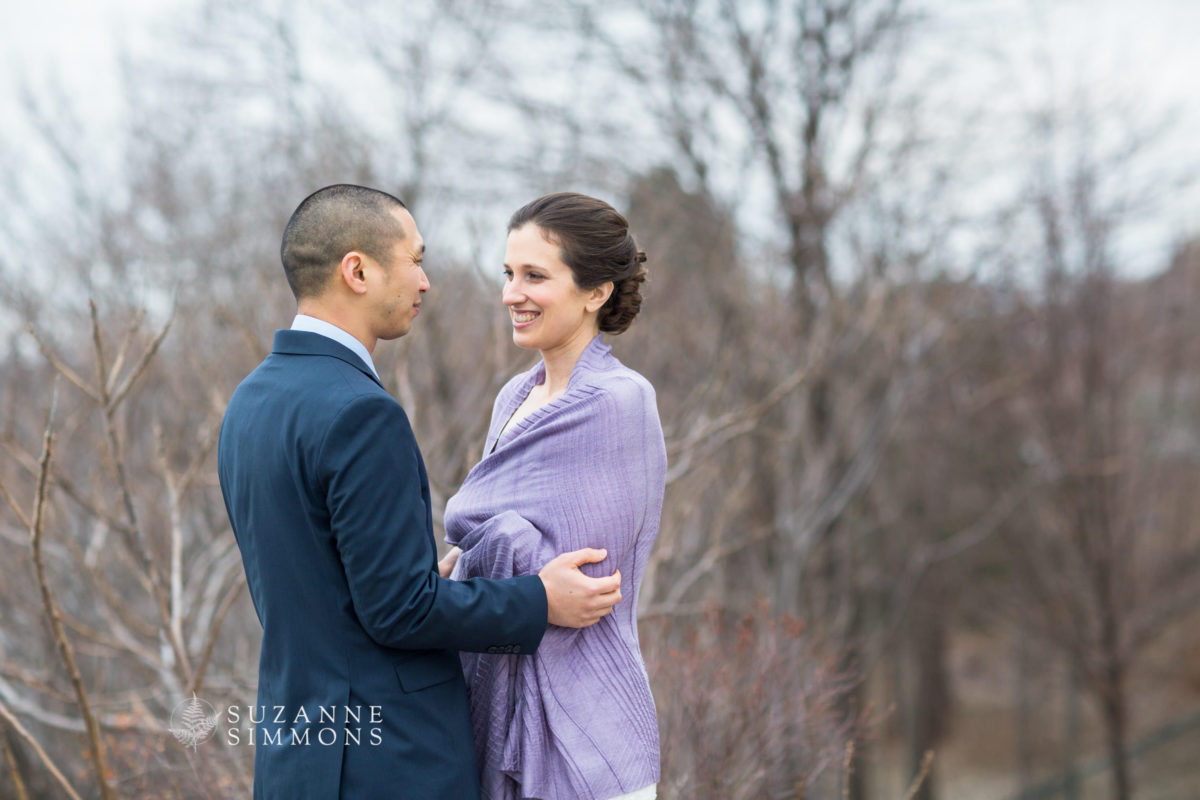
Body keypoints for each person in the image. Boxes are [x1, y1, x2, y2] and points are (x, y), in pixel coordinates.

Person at [217, 184, 624, 800]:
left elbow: (321, 583)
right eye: (414, 259)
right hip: (390, 765)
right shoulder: (360, 412)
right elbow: (398, 612)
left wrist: (414, 577)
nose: (425, 281)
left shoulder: (250, 401)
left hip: (298, 756)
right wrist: (540, 601)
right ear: (357, 270)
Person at [442, 192, 666, 800]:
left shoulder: (620, 401)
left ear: (596, 292)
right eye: (509, 274)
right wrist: (469, 561)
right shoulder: (513, 398)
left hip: (588, 733)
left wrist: (464, 564)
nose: (513, 293)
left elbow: (585, 579)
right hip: (497, 709)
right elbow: (497, 545)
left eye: (535, 276)